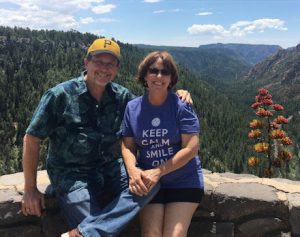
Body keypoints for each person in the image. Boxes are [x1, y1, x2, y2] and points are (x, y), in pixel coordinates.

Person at [21, 38, 192, 237]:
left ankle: (83, 233)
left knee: (150, 184)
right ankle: (89, 231)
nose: (104, 68)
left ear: (117, 68)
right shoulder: (60, 96)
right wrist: (30, 188)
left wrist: (177, 94)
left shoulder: (122, 96)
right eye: (98, 62)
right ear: (86, 63)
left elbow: (151, 106)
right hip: (73, 176)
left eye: (110, 64)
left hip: (112, 170)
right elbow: (31, 139)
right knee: (94, 220)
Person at [121, 51, 204, 237]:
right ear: (144, 75)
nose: (159, 76)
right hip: (149, 183)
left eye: (165, 72)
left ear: (171, 78)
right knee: (151, 233)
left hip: (184, 181)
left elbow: (191, 148)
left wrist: (158, 171)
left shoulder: (181, 106)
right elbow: (127, 146)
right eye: (153, 71)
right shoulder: (132, 108)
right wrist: (132, 170)